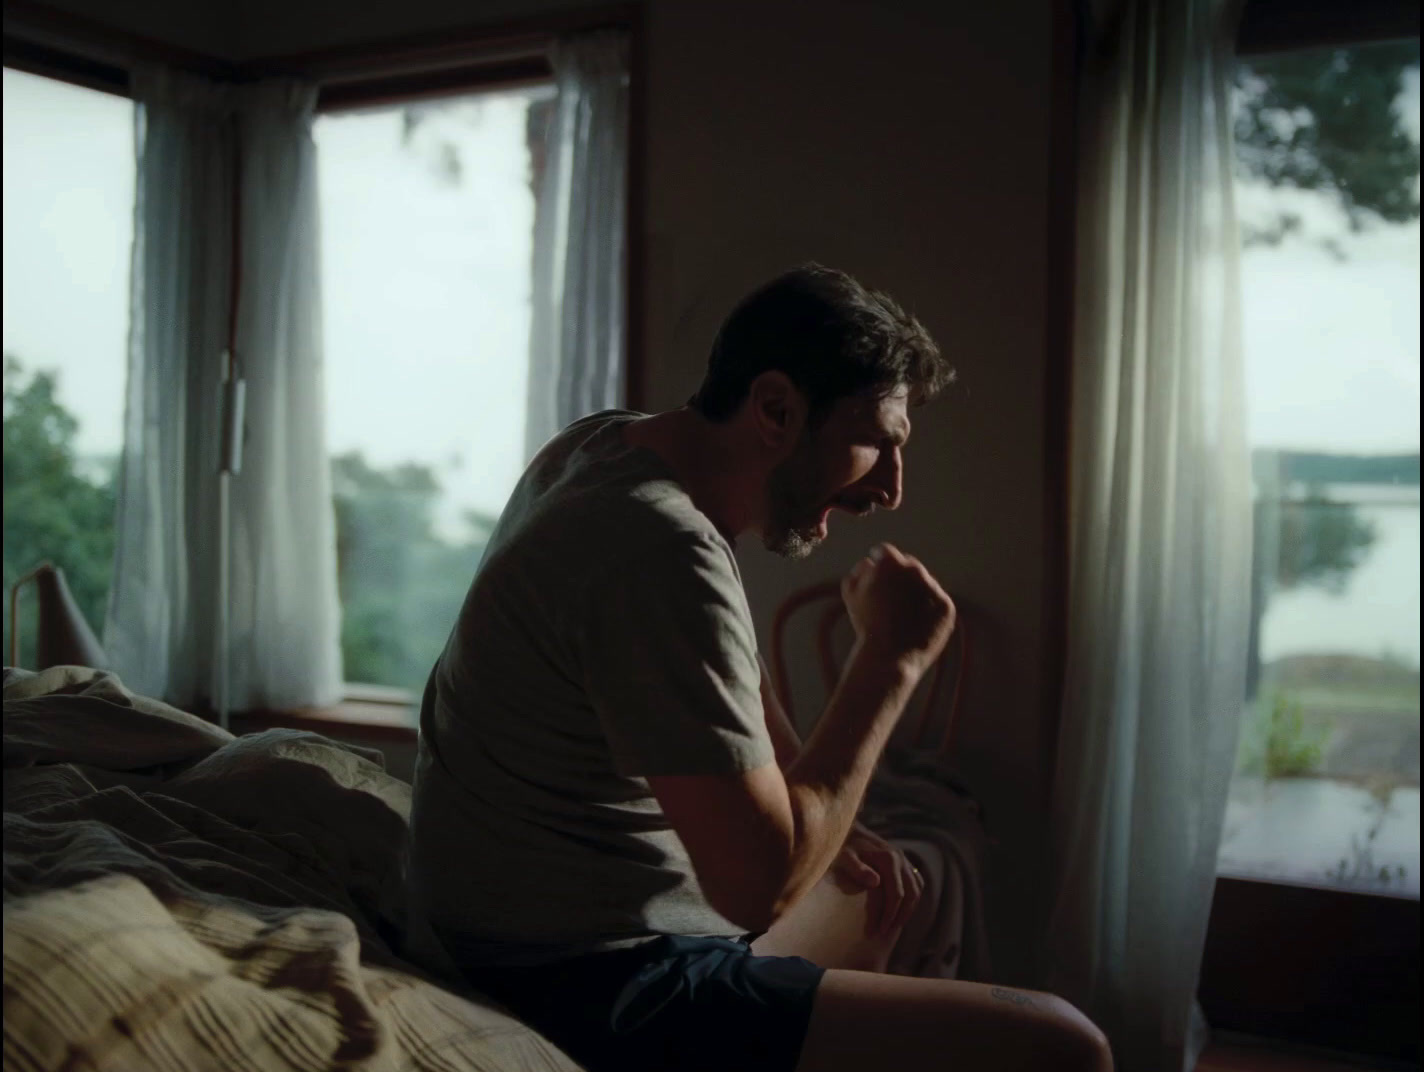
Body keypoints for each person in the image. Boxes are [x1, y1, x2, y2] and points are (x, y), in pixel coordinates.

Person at [406, 264, 1112, 1072]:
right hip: (588, 974)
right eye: (877, 442)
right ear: (776, 408)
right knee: (1065, 1043)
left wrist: (813, 797)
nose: (891, 488)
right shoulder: (659, 548)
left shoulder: (606, 448)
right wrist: (891, 661)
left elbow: (715, 666)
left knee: (877, 889)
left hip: (494, 922)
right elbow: (759, 891)